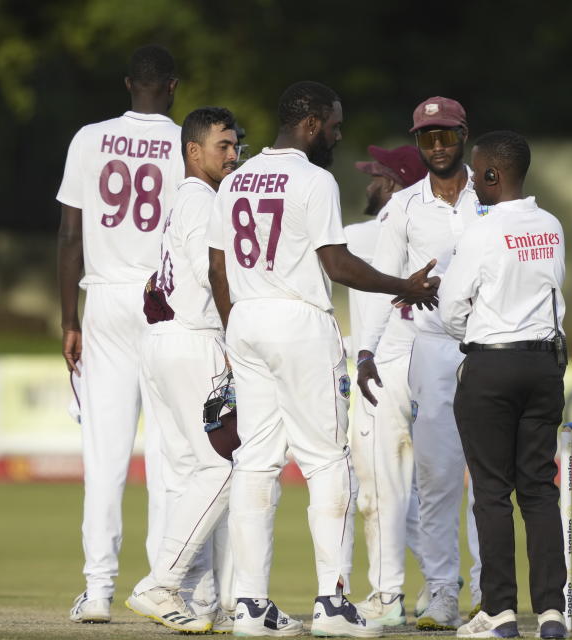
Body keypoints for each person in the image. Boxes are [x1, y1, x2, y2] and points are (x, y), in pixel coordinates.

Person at [207, 80, 441, 638]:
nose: (337, 134)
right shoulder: (313, 179)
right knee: (326, 462)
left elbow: (217, 269)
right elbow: (337, 265)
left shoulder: (236, 179)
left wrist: (235, 330)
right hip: (298, 320)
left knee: (256, 463)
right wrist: (400, 285)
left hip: (245, 319)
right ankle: (332, 605)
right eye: (334, 125)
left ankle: (249, 606)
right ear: (310, 123)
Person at [56, 44, 185, 624]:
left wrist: (68, 318)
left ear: (129, 83)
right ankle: (162, 583)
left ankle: (99, 590)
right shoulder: (189, 145)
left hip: (103, 298)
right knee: (165, 453)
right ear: (173, 87)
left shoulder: (89, 138)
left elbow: (68, 236)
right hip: (164, 301)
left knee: (104, 454)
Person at [357, 97, 482, 630]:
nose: (436, 146)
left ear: (462, 135)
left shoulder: (492, 192)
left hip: (490, 346)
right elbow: (383, 280)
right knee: (436, 478)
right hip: (430, 351)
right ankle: (441, 592)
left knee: (491, 482)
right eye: (426, 137)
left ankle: (488, 590)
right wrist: (365, 350)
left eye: (445, 135)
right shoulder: (404, 206)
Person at [440, 131, 569, 639]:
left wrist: (475, 335)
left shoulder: (483, 231)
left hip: (492, 364)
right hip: (544, 365)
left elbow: (452, 307)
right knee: (538, 489)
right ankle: (553, 613)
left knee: (492, 493)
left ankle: (501, 615)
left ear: (493, 175)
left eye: (476, 173)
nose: (471, 179)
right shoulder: (552, 226)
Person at [123, 107, 240, 633]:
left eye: (235, 145)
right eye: (223, 146)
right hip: (195, 340)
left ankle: (201, 599)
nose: (233, 155)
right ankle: (160, 584)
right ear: (194, 151)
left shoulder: (184, 199)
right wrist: (239, 332)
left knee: (192, 474)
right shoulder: (204, 200)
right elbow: (209, 270)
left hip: (164, 339)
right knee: (222, 470)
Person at [344, 145, 428, 626]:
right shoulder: (428, 231)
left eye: (376, 176)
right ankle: (440, 582)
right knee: (414, 492)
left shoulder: (359, 234)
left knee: (378, 491)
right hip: (421, 364)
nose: (369, 184)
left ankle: (386, 595)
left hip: (379, 370)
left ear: (394, 185)